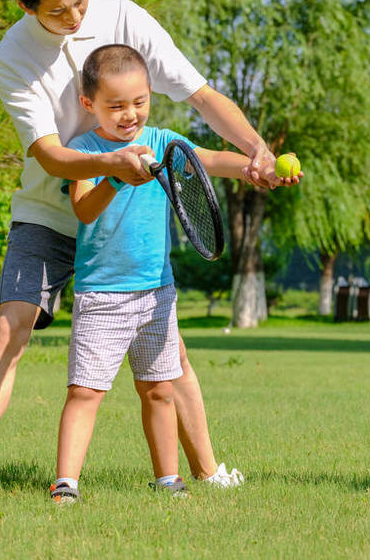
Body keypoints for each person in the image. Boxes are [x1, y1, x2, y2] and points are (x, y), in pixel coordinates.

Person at [0, 0, 298, 503]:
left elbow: (200, 97)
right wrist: (110, 164)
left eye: (80, 0)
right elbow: (50, 153)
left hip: (123, 220)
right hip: (51, 213)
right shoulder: (11, 58)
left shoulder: (123, 17)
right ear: (25, 5)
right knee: (11, 324)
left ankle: (207, 472)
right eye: (57, 11)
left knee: (169, 353)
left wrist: (256, 153)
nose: (76, 16)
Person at [50, 44, 267, 503]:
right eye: (116, 106)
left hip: (156, 295)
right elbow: (84, 211)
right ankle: (65, 483)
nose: (130, 115)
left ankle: (167, 478)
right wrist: (114, 175)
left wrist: (252, 168)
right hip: (102, 296)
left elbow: (209, 161)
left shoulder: (166, 143)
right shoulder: (84, 151)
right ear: (89, 105)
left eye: (140, 102)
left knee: (159, 390)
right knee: (85, 392)